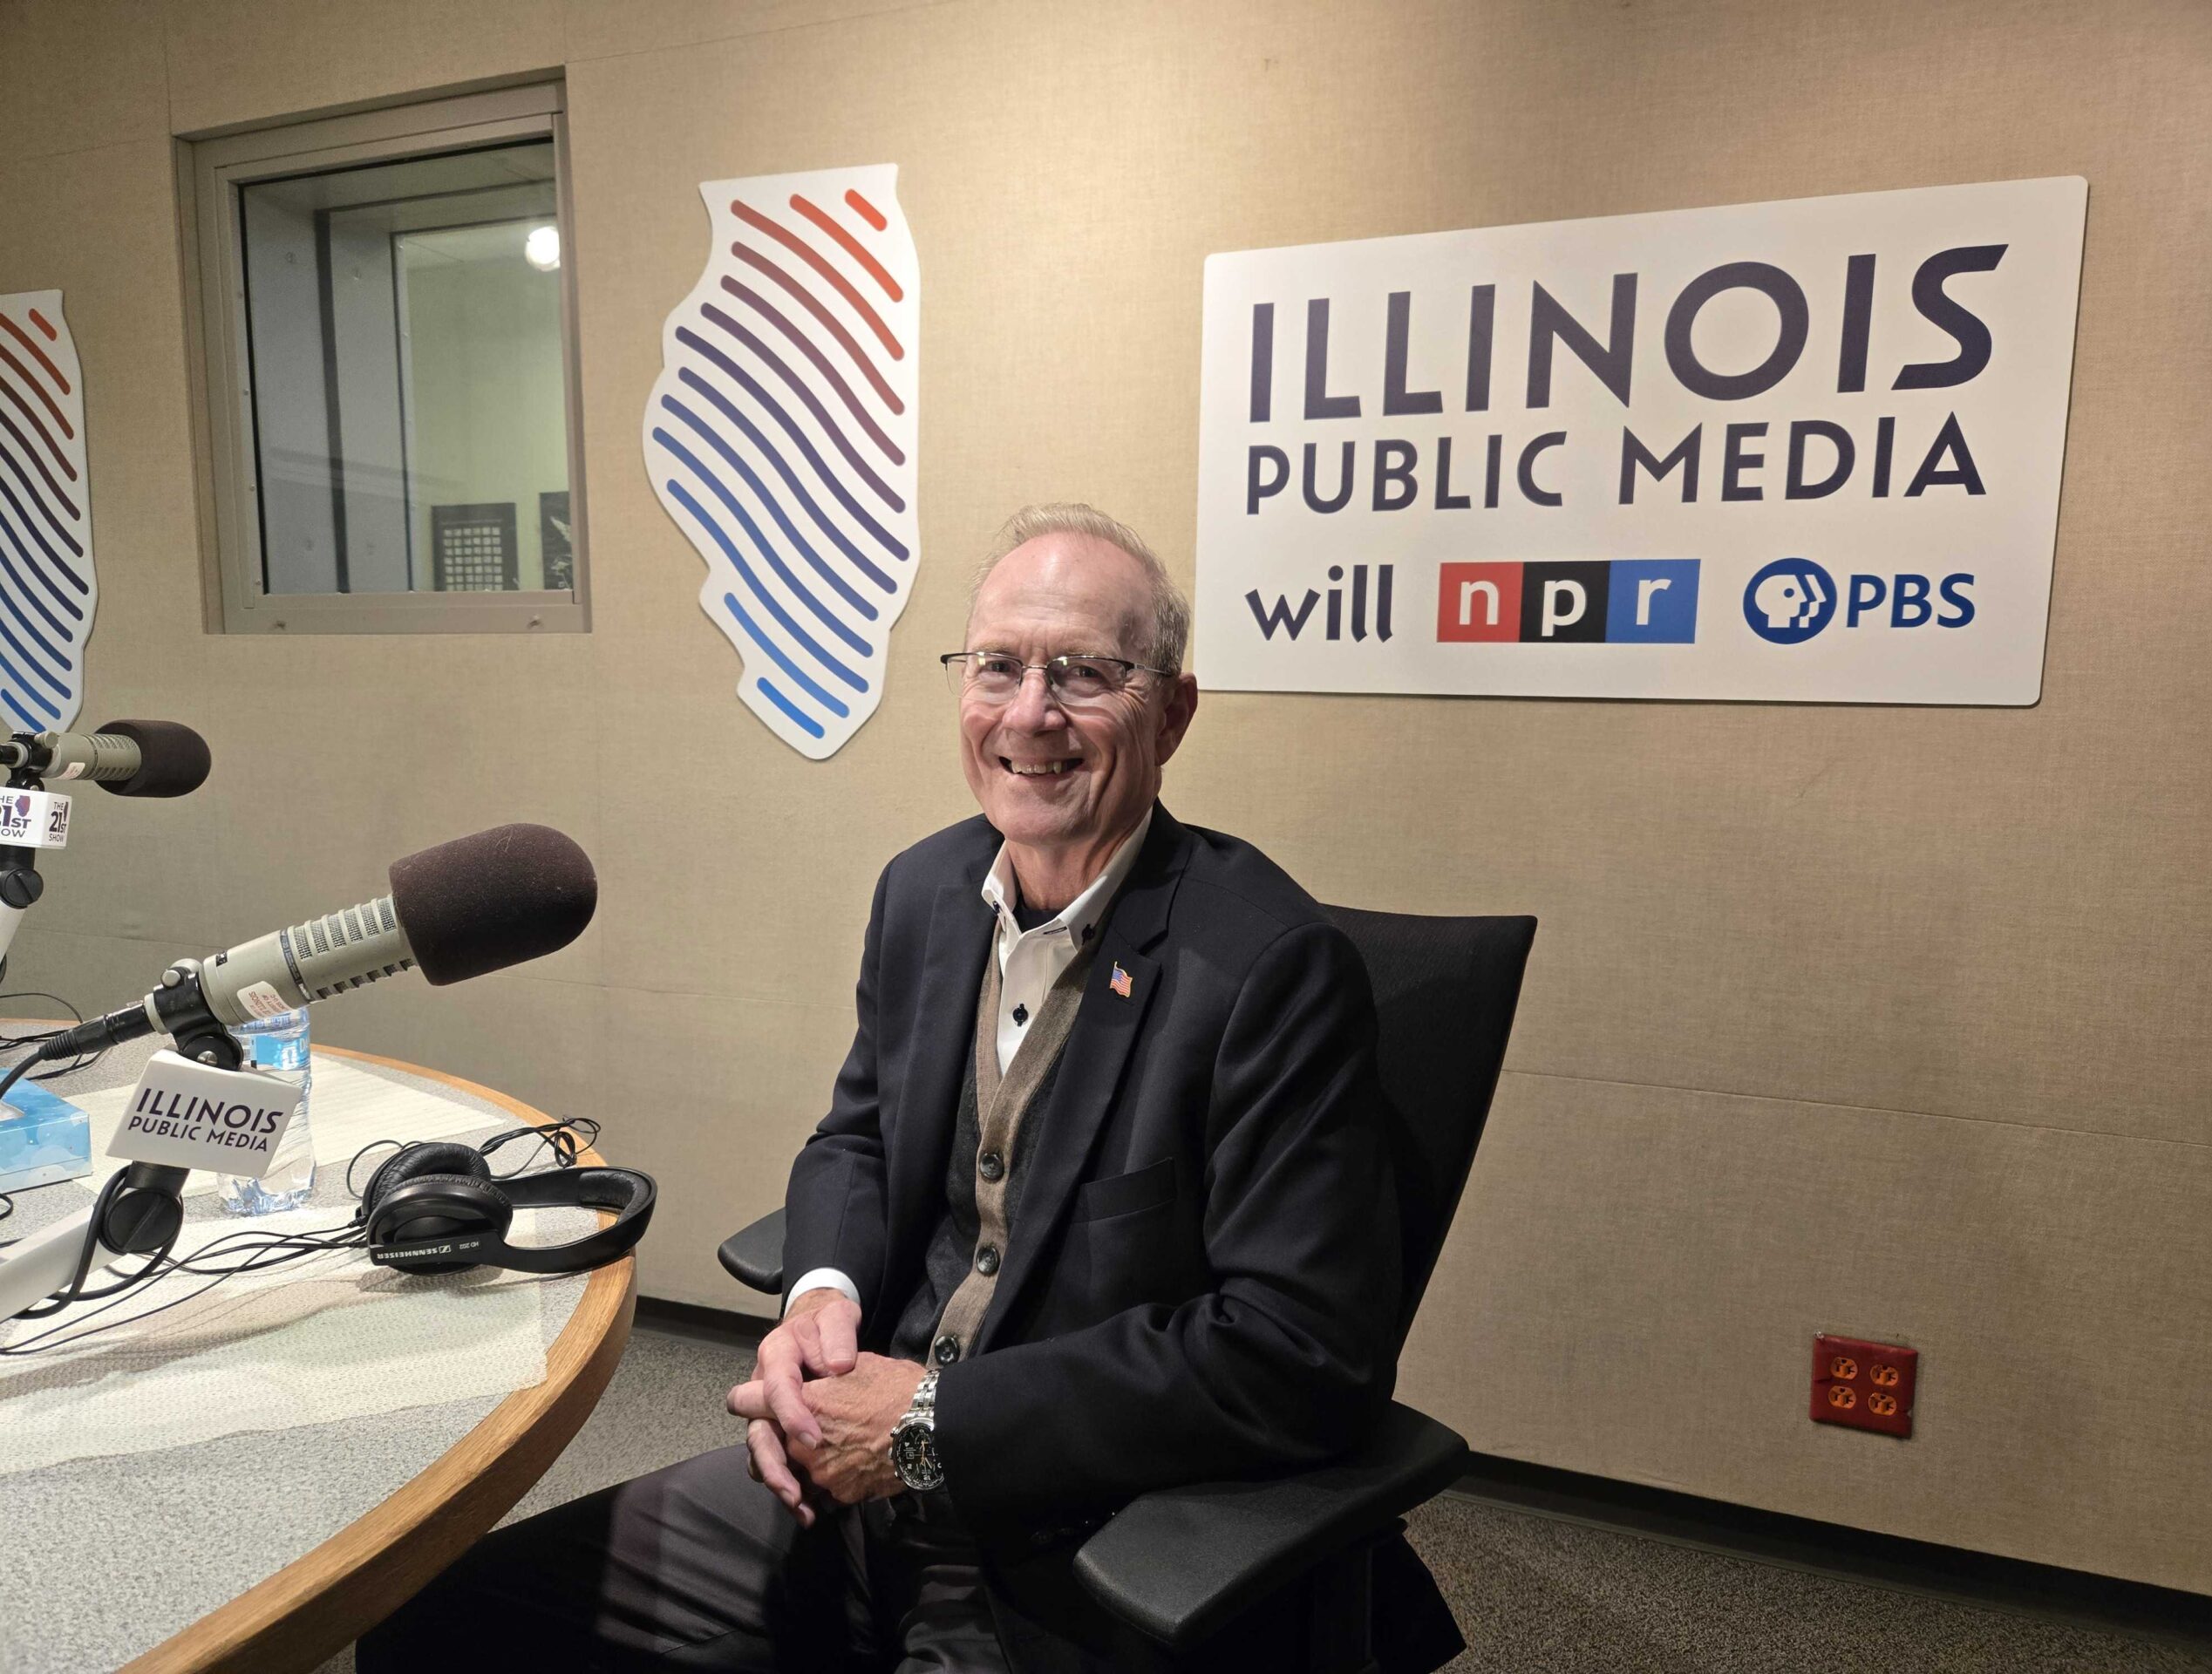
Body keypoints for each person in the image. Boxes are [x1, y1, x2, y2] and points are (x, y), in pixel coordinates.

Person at [358, 504, 1460, 1672]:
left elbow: (1298, 1356)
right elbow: (861, 1143)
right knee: (441, 1630)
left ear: (1171, 713)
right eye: (998, 667)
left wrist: (930, 1428)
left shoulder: (1267, 969)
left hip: (1069, 1533)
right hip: (855, 1477)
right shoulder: (923, 894)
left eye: (1084, 673)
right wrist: (819, 1295)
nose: (1029, 715)